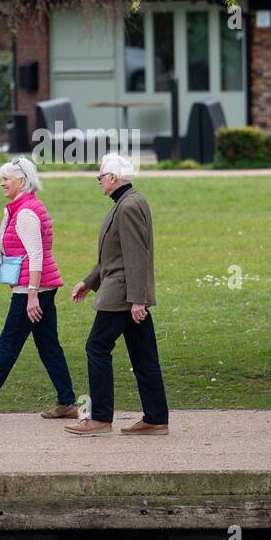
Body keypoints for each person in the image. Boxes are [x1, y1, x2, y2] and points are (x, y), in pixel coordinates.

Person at [0, 157, 78, 420]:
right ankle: (66, 402)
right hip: (37, 288)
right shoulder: (21, 208)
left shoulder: (27, 213)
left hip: (31, 291)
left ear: (22, 181)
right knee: (48, 345)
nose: (2, 183)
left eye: (6, 178)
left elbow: (35, 256)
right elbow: (13, 255)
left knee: (8, 344)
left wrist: (32, 294)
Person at [65, 153, 169, 436]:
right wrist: (88, 281)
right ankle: (156, 418)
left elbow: (136, 255)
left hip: (121, 296)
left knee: (96, 347)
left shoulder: (128, 206)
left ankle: (99, 418)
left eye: (100, 177)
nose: (98, 181)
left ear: (113, 178)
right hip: (124, 292)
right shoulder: (126, 203)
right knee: (144, 355)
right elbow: (114, 254)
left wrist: (138, 300)